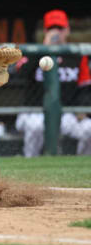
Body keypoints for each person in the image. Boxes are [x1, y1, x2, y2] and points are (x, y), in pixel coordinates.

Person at [15, 10, 91, 157]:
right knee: (35, 126)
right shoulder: (33, 51)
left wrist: (80, 111)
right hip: (33, 112)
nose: (56, 32)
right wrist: (44, 47)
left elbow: (84, 88)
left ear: (67, 30)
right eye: (51, 28)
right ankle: (30, 162)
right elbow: (21, 72)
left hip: (66, 114)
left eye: (60, 28)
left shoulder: (77, 56)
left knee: (89, 128)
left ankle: (81, 165)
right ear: (45, 31)